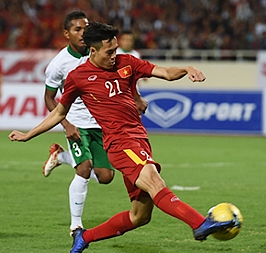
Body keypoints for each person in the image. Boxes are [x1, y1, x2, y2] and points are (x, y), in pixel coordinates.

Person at [9, 22, 234, 253]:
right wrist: (29, 135)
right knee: (156, 183)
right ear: (93, 51)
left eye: (116, 49)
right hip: (120, 144)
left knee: (139, 216)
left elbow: (165, 73)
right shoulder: (79, 77)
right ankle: (200, 224)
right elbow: (59, 112)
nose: (115, 56)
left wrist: (186, 69)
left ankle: (84, 237)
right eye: (109, 52)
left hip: (139, 139)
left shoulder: (127, 62)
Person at [42, 11, 116, 235]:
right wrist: (66, 124)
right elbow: (48, 98)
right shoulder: (59, 64)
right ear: (67, 33)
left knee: (106, 177)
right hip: (76, 123)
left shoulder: (98, 53)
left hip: (99, 123)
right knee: (84, 169)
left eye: (85, 28)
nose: (83, 33)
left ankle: (61, 156)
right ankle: (76, 225)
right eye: (77, 29)